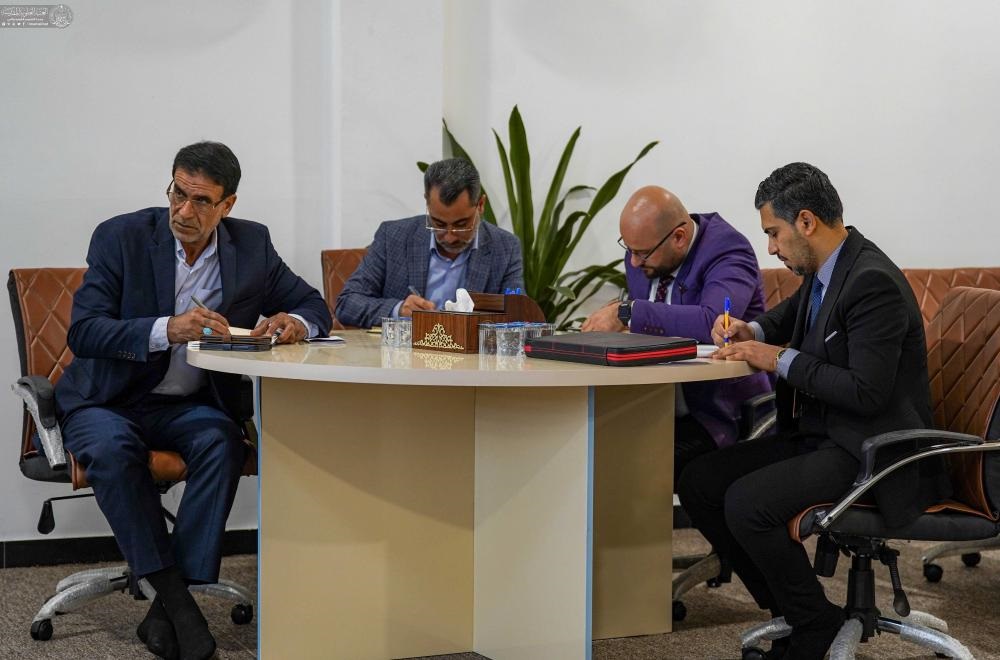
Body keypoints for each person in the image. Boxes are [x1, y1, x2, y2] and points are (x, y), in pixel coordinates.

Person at [54, 142, 332, 660]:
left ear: (227, 205)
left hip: (184, 405)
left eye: (201, 201)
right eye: (177, 193)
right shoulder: (121, 237)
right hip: (105, 401)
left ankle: (164, 608)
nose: (184, 210)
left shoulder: (251, 245)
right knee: (113, 449)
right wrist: (167, 329)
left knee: (222, 441)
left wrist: (295, 321)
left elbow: (313, 304)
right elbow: (84, 331)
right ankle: (181, 606)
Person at [679, 162, 951, 659]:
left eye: (773, 233)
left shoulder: (872, 281)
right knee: (700, 481)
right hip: (827, 434)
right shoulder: (828, 271)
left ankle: (811, 626)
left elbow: (866, 392)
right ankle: (794, 609)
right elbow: (789, 316)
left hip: (872, 452)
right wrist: (751, 330)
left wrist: (777, 359)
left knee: (748, 503)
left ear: (806, 221)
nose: (771, 248)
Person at [581, 185, 772, 479]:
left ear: (679, 237)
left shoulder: (728, 250)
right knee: (588, 447)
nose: (633, 262)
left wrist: (628, 312)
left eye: (642, 253)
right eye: (629, 250)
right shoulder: (642, 253)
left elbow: (713, 322)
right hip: (650, 403)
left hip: (716, 413)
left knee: (629, 466)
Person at [335, 157, 524, 328]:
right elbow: (347, 303)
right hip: (404, 353)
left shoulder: (505, 247)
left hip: (472, 354)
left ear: (480, 205)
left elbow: (517, 316)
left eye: (461, 225)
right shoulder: (393, 237)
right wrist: (399, 309)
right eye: (439, 224)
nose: (449, 237)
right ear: (427, 202)